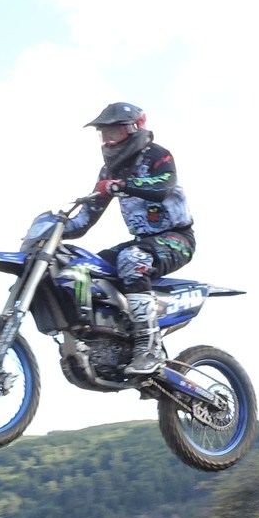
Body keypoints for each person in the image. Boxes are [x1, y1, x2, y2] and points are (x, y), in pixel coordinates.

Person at [65, 101, 195, 376]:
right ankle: (109, 337)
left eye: (115, 132)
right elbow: (85, 219)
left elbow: (163, 187)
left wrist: (122, 186)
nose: (109, 140)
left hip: (176, 239)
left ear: (135, 128)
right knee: (84, 267)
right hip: (143, 241)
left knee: (131, 259)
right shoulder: (109, 172)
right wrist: (54, 228)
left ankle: (149, 348)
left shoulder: (157, 156)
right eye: (104, 134)